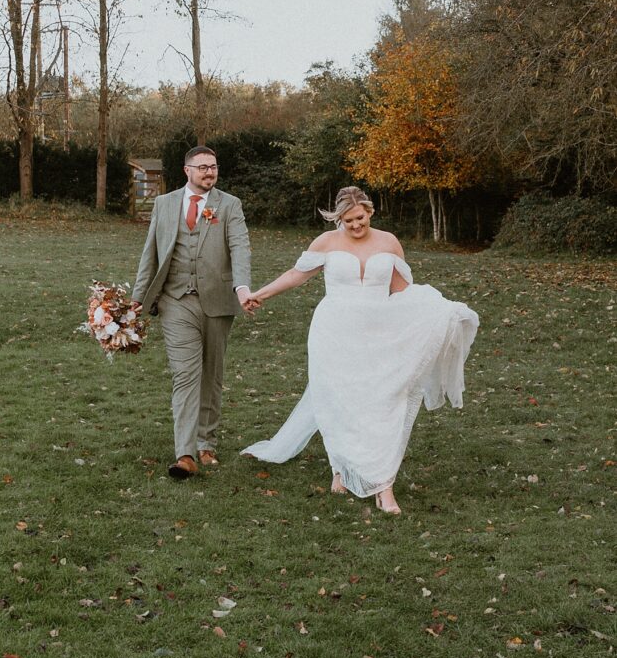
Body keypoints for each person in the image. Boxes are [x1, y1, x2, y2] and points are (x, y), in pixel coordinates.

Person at [242, 186, 478, 514]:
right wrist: (261, 294)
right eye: (348, 220)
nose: (355, 225)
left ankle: (383, 486)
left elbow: (401, 290)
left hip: (378, 332)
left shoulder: (389, 242)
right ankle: (340, 468)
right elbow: (297, 276)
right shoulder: (326, 243)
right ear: (338, 218)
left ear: (370, 212)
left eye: (360, 218)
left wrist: (437, 310)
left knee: (383, 404)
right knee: (338, 401)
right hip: (334, 332)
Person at [132, 146, 253, 479]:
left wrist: (242, 288)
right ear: (187, 170)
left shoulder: (230, 205)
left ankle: (205, 442)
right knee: (186, 374)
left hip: (217, 301)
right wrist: (136, 300)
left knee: (211, 374)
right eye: (202, 167)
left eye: (213, 167)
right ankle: (185, 453)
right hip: (175, 301)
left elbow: (240, 248)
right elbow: (150, 254)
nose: (209, 173)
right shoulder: (164, 203)